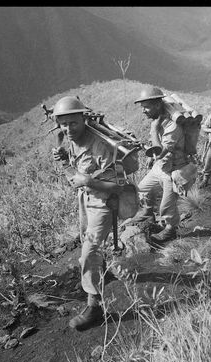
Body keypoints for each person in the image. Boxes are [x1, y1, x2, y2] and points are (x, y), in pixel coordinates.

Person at [51, 96, 125, 331]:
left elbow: (119, 186)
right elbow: (77, 173)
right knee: (88, 245)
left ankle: (94, 306)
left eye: (73, 123)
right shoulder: (73, 140)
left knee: (89, 251)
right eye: (63, 124)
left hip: (103, 203)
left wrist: (88, 181)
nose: (68, 129)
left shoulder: (100, 146)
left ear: (84, 119)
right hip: (85, 200)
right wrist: (64, 161)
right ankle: (100, 272)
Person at [133, 87, 187, 243]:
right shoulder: (157, 120)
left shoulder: (172, 126)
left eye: (146, 106)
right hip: (161, 167)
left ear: (157, 105)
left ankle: (171, 230)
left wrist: (154, 130)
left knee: (166, 207)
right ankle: (149, 215)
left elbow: (159, 153)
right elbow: (156, 153)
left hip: (174, 170)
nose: (143, 110)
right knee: (142, 189)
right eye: (142, 107)